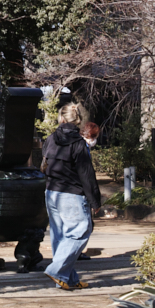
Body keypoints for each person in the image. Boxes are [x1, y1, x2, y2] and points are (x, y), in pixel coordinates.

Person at [40, 103, 102, 291]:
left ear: (61, 118)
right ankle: (57, 270)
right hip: (72, 193)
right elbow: (86, 174)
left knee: (60, 237)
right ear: (78, 120)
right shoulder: (78, 144)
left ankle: (68, 279)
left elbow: (44, 164)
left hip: (52, 192)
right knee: (81, 231)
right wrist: (95, 200)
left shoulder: (50, 139)